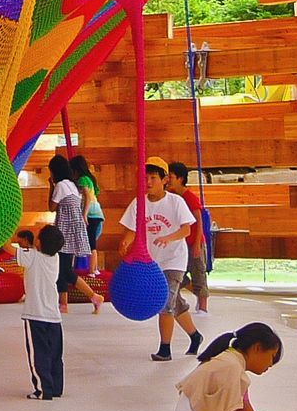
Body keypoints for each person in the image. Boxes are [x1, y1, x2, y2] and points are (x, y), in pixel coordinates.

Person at [118, 156, 203, 361]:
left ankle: (165, 349)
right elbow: (132, 229)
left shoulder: (175, 202)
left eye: (153, 177)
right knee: (177, 303)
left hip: (174, 260)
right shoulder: (139, 203)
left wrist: (168, 238)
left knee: (164, 302)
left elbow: (185, 229)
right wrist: (125, 243)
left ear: (165, 179)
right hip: (152, 263)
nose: (148, 182)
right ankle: (195, 336)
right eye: (145, 177)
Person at [14, 224, 65, 400]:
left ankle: (43, 390)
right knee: (54, 355)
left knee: (38, 354)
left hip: (35, 315)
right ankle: (56, 388)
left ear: (40, 243)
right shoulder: (55, 258)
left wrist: (3, 233)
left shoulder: (32, 257)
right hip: (54, 316)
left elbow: (8, 249)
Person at [47, 155, 100, 314]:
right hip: (74, 229)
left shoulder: (61, 186)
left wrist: (51, 186)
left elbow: (51, 207)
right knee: (63, 268)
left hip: (66, 231)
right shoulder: (72, 185)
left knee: (65, 270)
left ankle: (94, 296)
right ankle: (63, 304)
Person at [167, 161, 209, 313]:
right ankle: (193, 297)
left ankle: (203, 306)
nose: (168, 180)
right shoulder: (172, 198)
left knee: (199, 273)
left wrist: (197, 243)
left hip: (194, 242)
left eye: (171, 177)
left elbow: (199, 221)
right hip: (182, 244)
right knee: (179, 275)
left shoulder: (189, 197)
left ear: (180, 178)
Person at [70, 154, 104, 251]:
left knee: (91, 245)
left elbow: (88, 197)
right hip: (97, 213)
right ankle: (93, 266)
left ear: (76, 170)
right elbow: (95, 193)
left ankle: (92, 267)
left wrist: (84, 215)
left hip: (91, 214)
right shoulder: (90, 179)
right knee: (90, 243)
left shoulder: (82, 179)